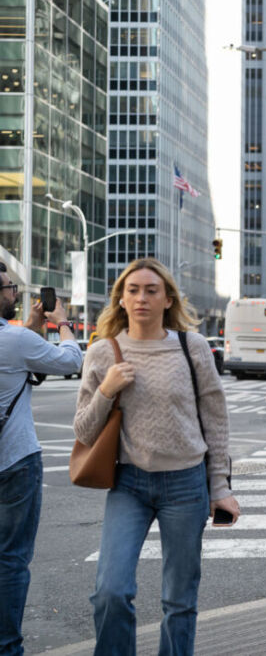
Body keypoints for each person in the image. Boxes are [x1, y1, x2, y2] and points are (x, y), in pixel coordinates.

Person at [73, 258, 239, 654]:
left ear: (167, 299)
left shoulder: (191, 346)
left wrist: (220, 487)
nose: (141, 298)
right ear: (121, 300)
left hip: (185, 484)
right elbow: (83, 430)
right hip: (128, 484)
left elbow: (215, 422)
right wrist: (107, 390)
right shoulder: (101, 353)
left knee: (179, 600)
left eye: (151, 290)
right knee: (110, 590)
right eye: (133, 290)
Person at [0, 265, 82, 655]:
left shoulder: (17, 338)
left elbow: (17, 364)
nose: (14, 293)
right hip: (14, 463)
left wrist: (30, 326)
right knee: (11, 562)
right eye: (9, 288)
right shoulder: (14, 340)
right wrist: (62, 324)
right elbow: (70, 361)